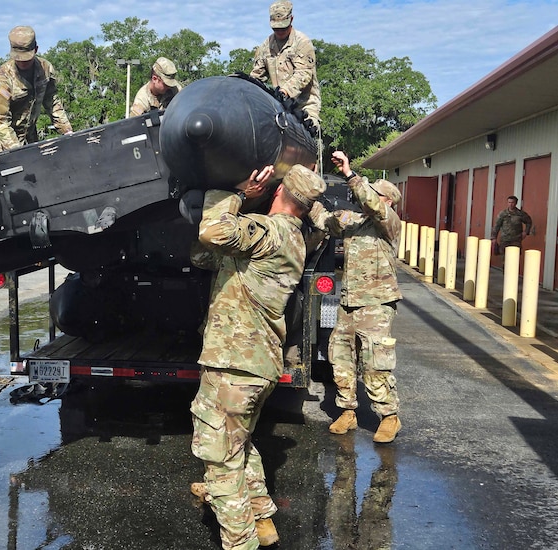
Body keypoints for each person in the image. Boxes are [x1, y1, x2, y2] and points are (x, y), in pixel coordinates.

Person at [189, 164, 326, 549]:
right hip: (258, 362)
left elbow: (213, 230)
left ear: (280, 189)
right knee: (239, 443)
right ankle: (262, 519)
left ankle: (241, 539)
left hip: (235, 361)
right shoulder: (296, 238)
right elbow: (208, 254)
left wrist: (236, 193)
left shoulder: (269, 230)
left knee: (219, 458)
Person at [310, 150, 403, 444]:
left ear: (386, 200)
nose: (365, 197)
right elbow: (326, 220)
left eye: (374, 195)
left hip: (376, 303)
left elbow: (372, 204)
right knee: (341, 357)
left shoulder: (389, 221)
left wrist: (350, 174)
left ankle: (389, 417)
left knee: (376, 362)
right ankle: (347, 411)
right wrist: (304, 195)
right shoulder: (355, 220)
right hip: (349, 301)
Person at [0, 25, 73, 154]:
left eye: (26, 58)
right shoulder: (1, 80)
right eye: (18, 58)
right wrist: (17, 151)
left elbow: (52, 101)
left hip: (26, 131)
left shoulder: (45, 69)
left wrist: (67, 131)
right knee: (11, 168)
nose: (22, 62)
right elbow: (0, 120)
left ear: (36, 49)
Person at [249, 1, 321, 130]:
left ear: (291, 19)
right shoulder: (266, 46)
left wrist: (285, 91)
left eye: (283, 27)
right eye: (276, 28)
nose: (280, 31)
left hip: (304, 106)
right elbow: (256, 76)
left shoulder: (302, 42)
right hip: (279, 106)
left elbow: (303, 74)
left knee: (309, 137)